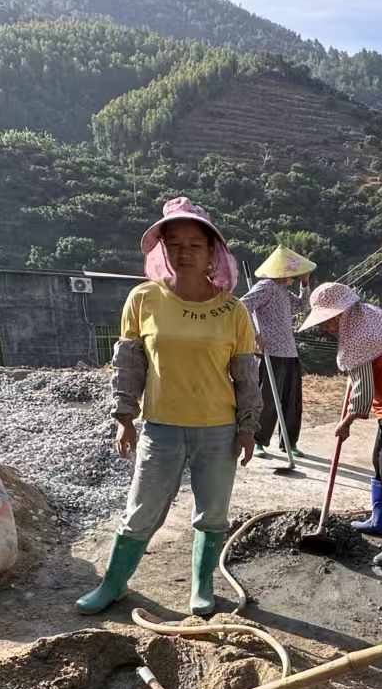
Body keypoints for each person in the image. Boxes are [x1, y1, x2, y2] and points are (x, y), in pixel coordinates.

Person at [77, 197, 261, 618]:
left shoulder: (233, 310)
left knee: (212, 514)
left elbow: (246, 377)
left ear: (213, 251)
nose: (184, 252)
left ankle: (202, 584)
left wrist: (248, 426)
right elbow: (128, 365)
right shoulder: (143, 299)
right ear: (162, 249)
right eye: (174, 243)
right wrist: (124, 418)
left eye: (194, 244)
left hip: (218, 430)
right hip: (160, 428)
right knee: (140, 512)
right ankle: (113, 585)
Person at [298, 282, 382, 568]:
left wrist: (346, 422)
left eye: (329, 320)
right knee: (378, 462)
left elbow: (363, 394)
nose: (327, 328)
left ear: (343, 314)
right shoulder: (368, 316)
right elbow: (365, 374)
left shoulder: (357, 341)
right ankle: (380, 521)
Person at [243, 245, 312, 457]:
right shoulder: (266, 286)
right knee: (267, 399)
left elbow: (303, 307)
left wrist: (305, 285)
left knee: (292, 401)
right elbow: (243, 305)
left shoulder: (282, 290)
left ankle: (289, 442)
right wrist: (255, 335)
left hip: (289, 352)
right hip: (269, 351)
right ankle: (258, 441)